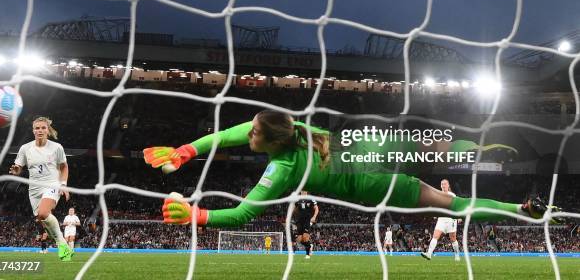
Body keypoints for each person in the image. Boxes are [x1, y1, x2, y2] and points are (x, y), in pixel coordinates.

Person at [143, 111, 558, 232]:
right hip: (370, 150)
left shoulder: (283, 170)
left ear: (269, 142)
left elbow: (244, 214)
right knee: (446, 185)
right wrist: (187, 151)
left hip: (376, 185)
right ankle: (518, 204)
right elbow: (235, 132)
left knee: (452, 206)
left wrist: (197, 215)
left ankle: (518, 208)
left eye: (253, 134)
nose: (245, 136)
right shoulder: (299, 132)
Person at [9, 116, 73, 261]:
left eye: (43, 128)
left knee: (44, 213)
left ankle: (60, 244)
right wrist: (16, 170)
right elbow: (19, 167)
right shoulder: (25, 148)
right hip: (34, 189)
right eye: (37, 128)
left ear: (48, 130)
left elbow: (64, 167)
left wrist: (63, 185)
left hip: (52, 184)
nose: (40, 130)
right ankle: (63, 244)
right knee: (42, 219)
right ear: (33, 131)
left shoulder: (56, 148)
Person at [421, 179, 461, 261]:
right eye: (442, 184)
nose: (443, 185)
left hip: (451, 219)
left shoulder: (452, 195)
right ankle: (429, 254)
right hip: (441, 219)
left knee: (453, 239)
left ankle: (457, 255)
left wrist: (459, 217)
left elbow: (456, 207)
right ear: (440, 186)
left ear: (448, 185)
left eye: (445, 184)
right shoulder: (437, 194)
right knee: (435, 236)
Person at [293, 191, 319, 259]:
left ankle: (307, 255)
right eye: (302, 190)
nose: (303, 191)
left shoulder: (311, 198)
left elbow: (316, 208)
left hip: (307, 220)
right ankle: (309, 245)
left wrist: (314, 217)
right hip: (299, 220)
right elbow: (294, 208)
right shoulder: (297, 198)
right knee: (299, 239)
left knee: (305, 237)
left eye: (305, 190)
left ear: (307, 191)